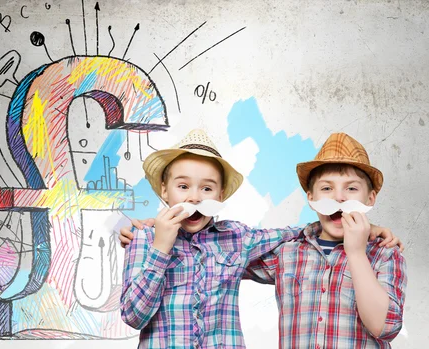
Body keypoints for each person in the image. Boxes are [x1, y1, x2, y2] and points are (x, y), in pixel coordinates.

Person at [119, 131, 405, 349]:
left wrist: (362, 237)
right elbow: (133, 316)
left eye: (206, 188)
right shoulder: (145, 239)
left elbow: (385, 327)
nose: (195, 197)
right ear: (164, 191)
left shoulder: (383, 253)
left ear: (220, 197)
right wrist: (158, 244)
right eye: (183, 186)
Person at [243, 132, 406, 348]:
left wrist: (357, 253)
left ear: (370, 198)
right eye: (327, 188)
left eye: (351, 188)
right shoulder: (287, 253)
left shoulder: (386, 253)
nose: (339, 197)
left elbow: (385, 328)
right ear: (311, 198)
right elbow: (227, 256)